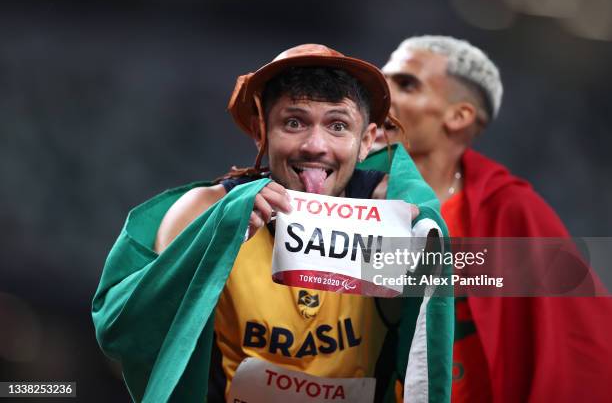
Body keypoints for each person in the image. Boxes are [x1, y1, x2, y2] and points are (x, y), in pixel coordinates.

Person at [92, 44, 453, 403]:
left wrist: (414, 252)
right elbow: (124, 333)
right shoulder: (203, 212)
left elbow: (435, 336)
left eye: (338, 125)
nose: (315, 145)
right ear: (261, 131)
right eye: (293, 122)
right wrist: (213, 245)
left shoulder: (399, 218)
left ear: (367, 142)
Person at [379, 35, 612, 402]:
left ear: (459, 116)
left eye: (406, 84)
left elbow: (581, 349)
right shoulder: (340, 194)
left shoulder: (511, 211)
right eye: (382, 78)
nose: (380, 93)